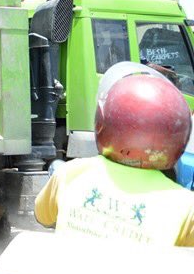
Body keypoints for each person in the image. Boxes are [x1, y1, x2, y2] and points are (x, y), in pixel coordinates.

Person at [34, 65, 194, 246]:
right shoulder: (186, 208)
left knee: (56, 166)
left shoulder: (70, 174)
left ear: (103, 121)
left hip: (69, 273)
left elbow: (43, 217)